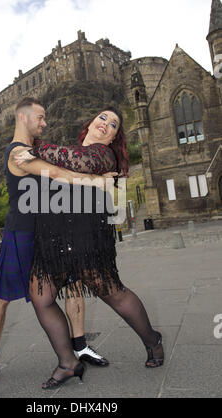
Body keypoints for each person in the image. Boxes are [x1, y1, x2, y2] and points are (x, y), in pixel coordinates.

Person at [16, 106, 164, 389]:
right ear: (91, 123)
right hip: (53, 238)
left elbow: (69, 160)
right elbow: (49, 168)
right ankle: (68, 362)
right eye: (102, 118)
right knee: (41, 296)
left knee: (113, 293)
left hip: (87, 238)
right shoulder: (73, 153)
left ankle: (153, 341)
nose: (106, 124)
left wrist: (31, 147)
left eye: (113, 125)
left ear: (112, 139)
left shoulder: (101, 156)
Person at [0, 98, 112, 392]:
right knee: (1, 298)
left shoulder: (36, 149)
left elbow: (65, 170)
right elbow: (59, 174)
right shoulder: (17, 154)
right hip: (21, 234)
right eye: (40, 117)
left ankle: (79, 347)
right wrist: (96, 181)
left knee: (73, 284)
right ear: (23, 118)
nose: (45, 123)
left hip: (50, 234)